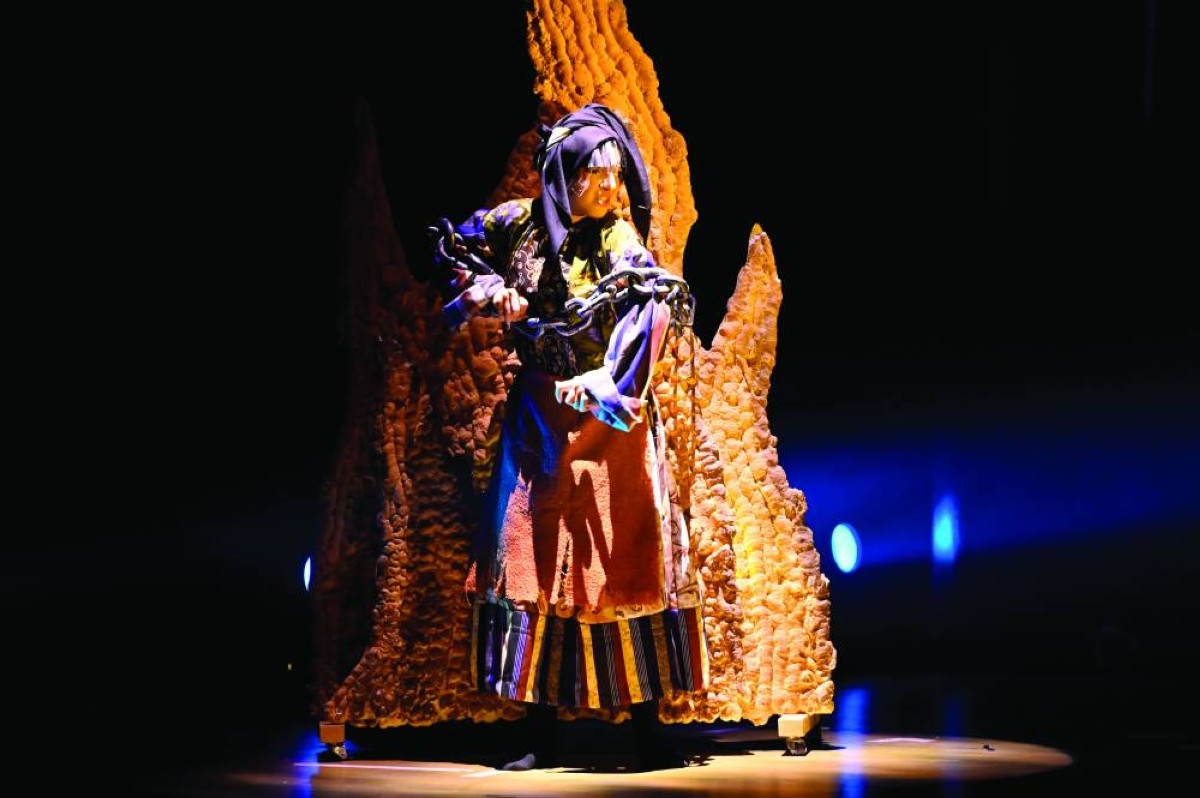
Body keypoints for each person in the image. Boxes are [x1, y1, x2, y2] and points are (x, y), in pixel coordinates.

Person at [429, 103, 708, 771]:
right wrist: (491, 289)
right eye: (596, 176)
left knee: (622, 560)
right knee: (535, 561)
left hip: (608, 429)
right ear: (563, 177)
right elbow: (456, 247)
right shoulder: (517, 224)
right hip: (541, 420)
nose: (611, 188)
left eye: (616, 175)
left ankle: (646, 728)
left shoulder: (615, 237)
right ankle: (540, 732)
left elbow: (647, 290)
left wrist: (615, 376)